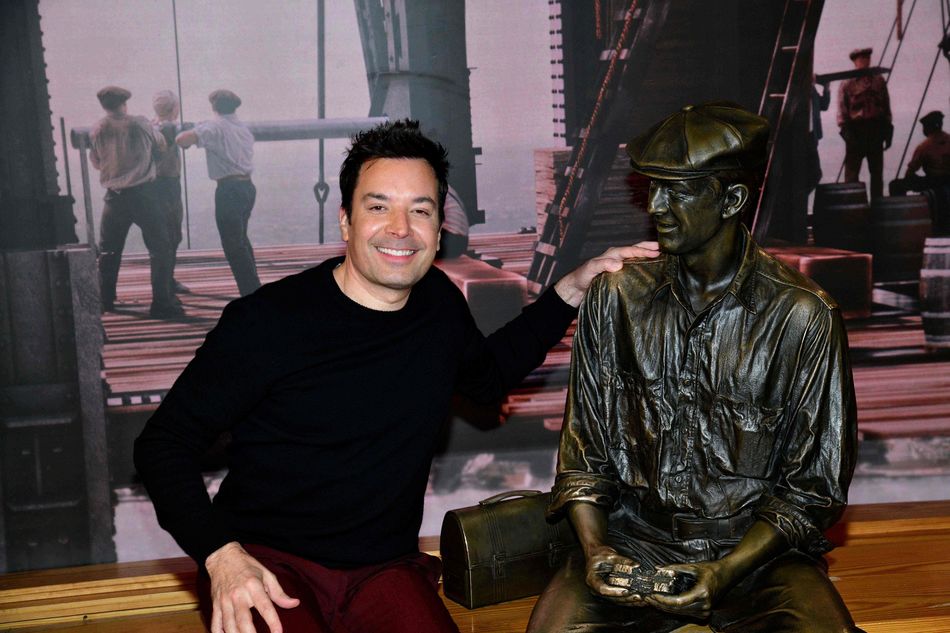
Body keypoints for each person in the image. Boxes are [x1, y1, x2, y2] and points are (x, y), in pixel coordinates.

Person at [134, 119, 655, 633]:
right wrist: (220, 557)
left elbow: (488, 378)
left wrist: (571, 289)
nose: (400, 229)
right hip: (267, 559)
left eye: (420, 210)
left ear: (439, 227)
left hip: (382, 565)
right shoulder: (268, 322)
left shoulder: (439, 308)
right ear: (346, 221)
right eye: (378, 207)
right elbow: (162, 445)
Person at [527, 103, 862, 633]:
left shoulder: (802, 315)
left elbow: (812, 490)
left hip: (757, 554)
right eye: (652, 187)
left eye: (678, 190)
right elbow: (584, 458)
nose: (656, 206)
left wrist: (725, 571)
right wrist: (594, 551)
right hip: (633, 542)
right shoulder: (616, 297)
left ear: (731, 199)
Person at [89, 85, 181, 319]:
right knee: (161, 247)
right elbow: (160, 145)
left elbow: (97, 162)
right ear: (124, 103)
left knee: (109, 251)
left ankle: (106, 299)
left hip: (113, 197)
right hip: (143, 195)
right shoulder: (140, 123)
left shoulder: (98, 128)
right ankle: (162, 302)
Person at [176, 89, 260, 296]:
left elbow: (182, 140)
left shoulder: (213, 127)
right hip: (247, 187)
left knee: (233, 245)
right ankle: (254, 289)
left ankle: (251, 293)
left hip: (228, 189)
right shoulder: (242, 128)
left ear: (214, 106)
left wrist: (196, 128)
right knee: (241, 240)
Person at [837, 47, 892, 199]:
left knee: (877, 173)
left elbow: (886, 105)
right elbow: (842, 111)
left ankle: (877, 206)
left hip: (875, 129)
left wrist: (888, 129)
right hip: (856, 131)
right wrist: (847, 133)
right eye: (861, 59)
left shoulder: (879, 80)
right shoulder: (847, 83)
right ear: (855, 62)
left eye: (867, 58)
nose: (865, 61)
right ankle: (852, 209)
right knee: (852, 175)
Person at [152, 90, 189, 295]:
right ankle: (167, 282)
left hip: (153, 185)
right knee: (172, 234)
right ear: (174, 108)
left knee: (162, 235)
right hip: (168, 185)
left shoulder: (150, 126)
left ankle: (166, 280)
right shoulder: (169, 128)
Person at [889, 110, 950, 234]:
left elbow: (910, 173)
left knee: (895, 185)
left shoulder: (925, 146)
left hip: (934, 181)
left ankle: (902, 220)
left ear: (928, 127)